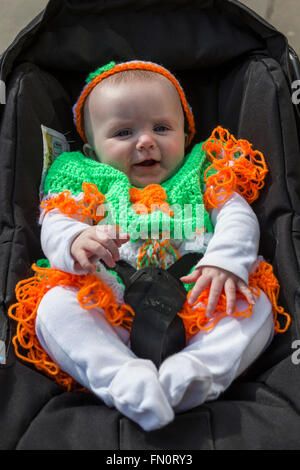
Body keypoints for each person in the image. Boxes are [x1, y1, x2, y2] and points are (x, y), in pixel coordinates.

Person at [8, 60, 290, 432]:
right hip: (109, 302)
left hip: (200, 296)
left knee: (253, 304)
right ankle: (121, 377)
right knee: (54, 307)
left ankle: (197, 371)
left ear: (186, 136)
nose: (146, 141)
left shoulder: (203, 170)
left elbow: (237, 216)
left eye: (161, 128)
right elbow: (55, 220)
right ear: (92, 151)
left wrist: (225, 260)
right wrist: (75, 239)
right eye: (124, 132)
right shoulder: (84, 177)